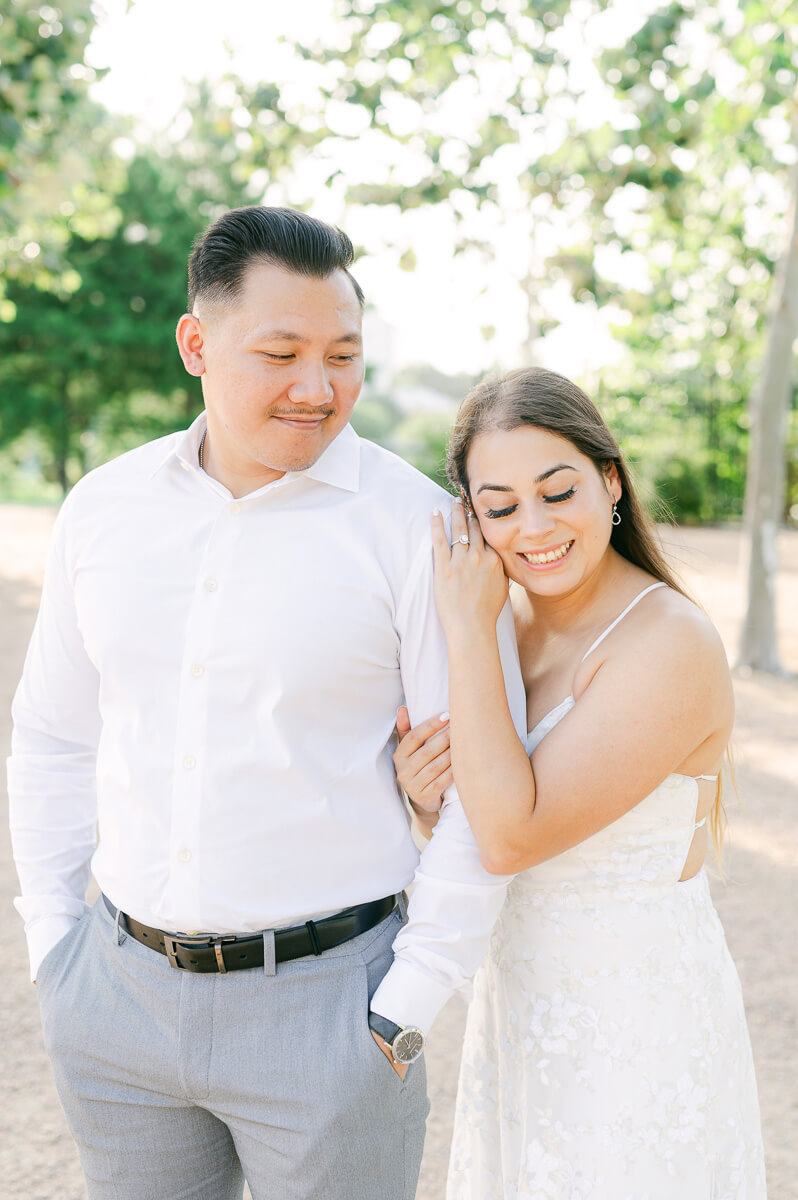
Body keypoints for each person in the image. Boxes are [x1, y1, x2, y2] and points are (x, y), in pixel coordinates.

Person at [7, 206, 527, 1200]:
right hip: (115, 1003)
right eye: (281, 352)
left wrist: (406, 1004)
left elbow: (480, 790)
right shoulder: (105, 509)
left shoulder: (418, 529)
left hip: (334, 1015)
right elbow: (52, 739)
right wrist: (52, 951)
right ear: (197, 345)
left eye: (343, 354)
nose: (318, 388)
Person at [395, 367, 767, 1198]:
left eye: (557, 491)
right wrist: (427, 807)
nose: (534, 528)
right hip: (522, 1005)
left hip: (638, 1021)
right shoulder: (509, 626)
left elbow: (512, 835)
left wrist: (463, 628)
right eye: (499, 507)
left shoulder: (667, 642)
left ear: (610, 480)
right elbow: (485, 824)